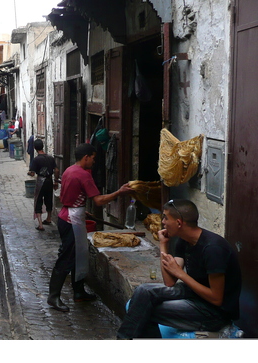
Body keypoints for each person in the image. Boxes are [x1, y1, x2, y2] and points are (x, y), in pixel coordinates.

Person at [117, 199, 242, 339]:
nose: (163, 222)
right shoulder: (184, 240)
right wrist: (163, 245)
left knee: (143, 309)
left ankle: (123, 340)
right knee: (144, 291)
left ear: (179, 223)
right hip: (194, 294)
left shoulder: (213, 249)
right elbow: (169, 281)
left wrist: (181, 274)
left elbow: (216, 298)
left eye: (165, 217)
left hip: (213, 313)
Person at [47, 142, 133, 312]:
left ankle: (78, 292)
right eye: (93, 158)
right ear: (86, 157)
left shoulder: (69, 170)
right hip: (72, 219)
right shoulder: (83, 175)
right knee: (67, 257)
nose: (94, 161)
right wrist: (119, 193)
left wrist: (81, 210)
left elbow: (71, 197)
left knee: (78, 256)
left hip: (69, 215)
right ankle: (53, 296)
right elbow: (99, 201)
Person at [28, 139, 59, 231]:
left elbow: (32, 173)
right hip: (49, 181)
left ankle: (40, 224)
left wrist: (29, 173)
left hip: (41, 181)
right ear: (43, 146)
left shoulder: (36, 160)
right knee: (48, 199)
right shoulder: (50, 158)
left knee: (38, 201)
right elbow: (56, 170)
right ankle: (49, 218)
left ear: (35, 148)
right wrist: (56, 181)